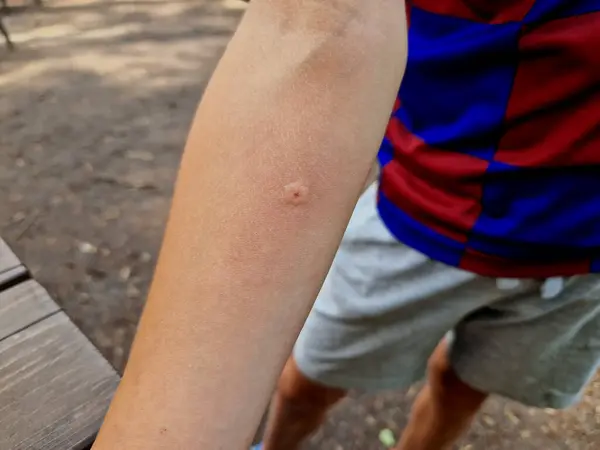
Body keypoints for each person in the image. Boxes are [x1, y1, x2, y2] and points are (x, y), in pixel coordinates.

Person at [93, 1, 600, 449]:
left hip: (582, 257)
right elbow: (318, 24)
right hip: (427, 214)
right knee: (309, 379)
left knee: (462, 388)